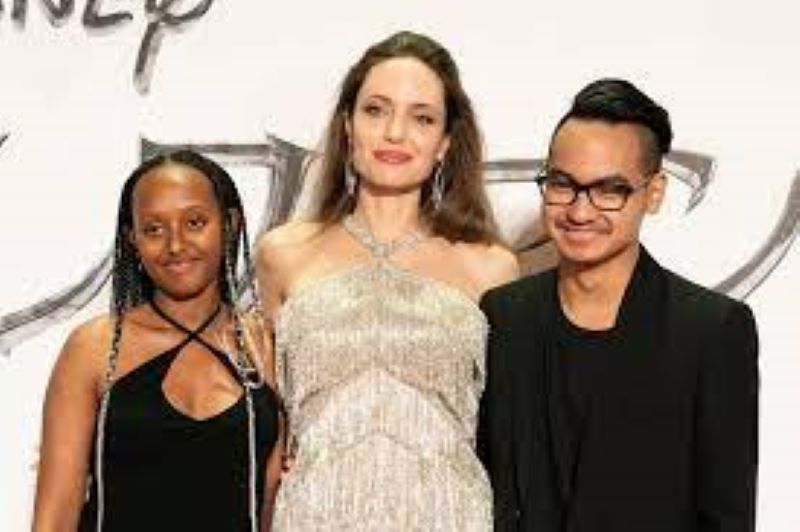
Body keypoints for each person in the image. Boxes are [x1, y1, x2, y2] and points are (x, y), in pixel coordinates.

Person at [256, 31, 518, 531]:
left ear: (445, 142)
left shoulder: (490, 267)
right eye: (376, 110)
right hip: (315, 514)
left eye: (422, 118)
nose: (395, 133)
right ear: (347, 126)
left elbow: (508, 434)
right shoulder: (282, 255)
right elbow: (273, 426)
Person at [478, 78, 759, 531]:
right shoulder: (504, 317)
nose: (580, 211)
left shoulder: (711, 330)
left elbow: (727, 516)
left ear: (654, 192)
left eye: (610, 190)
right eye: (562, 184)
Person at [32, 150, 282, 532]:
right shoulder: (94, 348)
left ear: (229, 224)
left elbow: (273, 505)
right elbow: (55, 516)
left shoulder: (265, 345)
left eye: (195, 222)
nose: (175, 245)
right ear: (132, 239)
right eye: (153, 229)